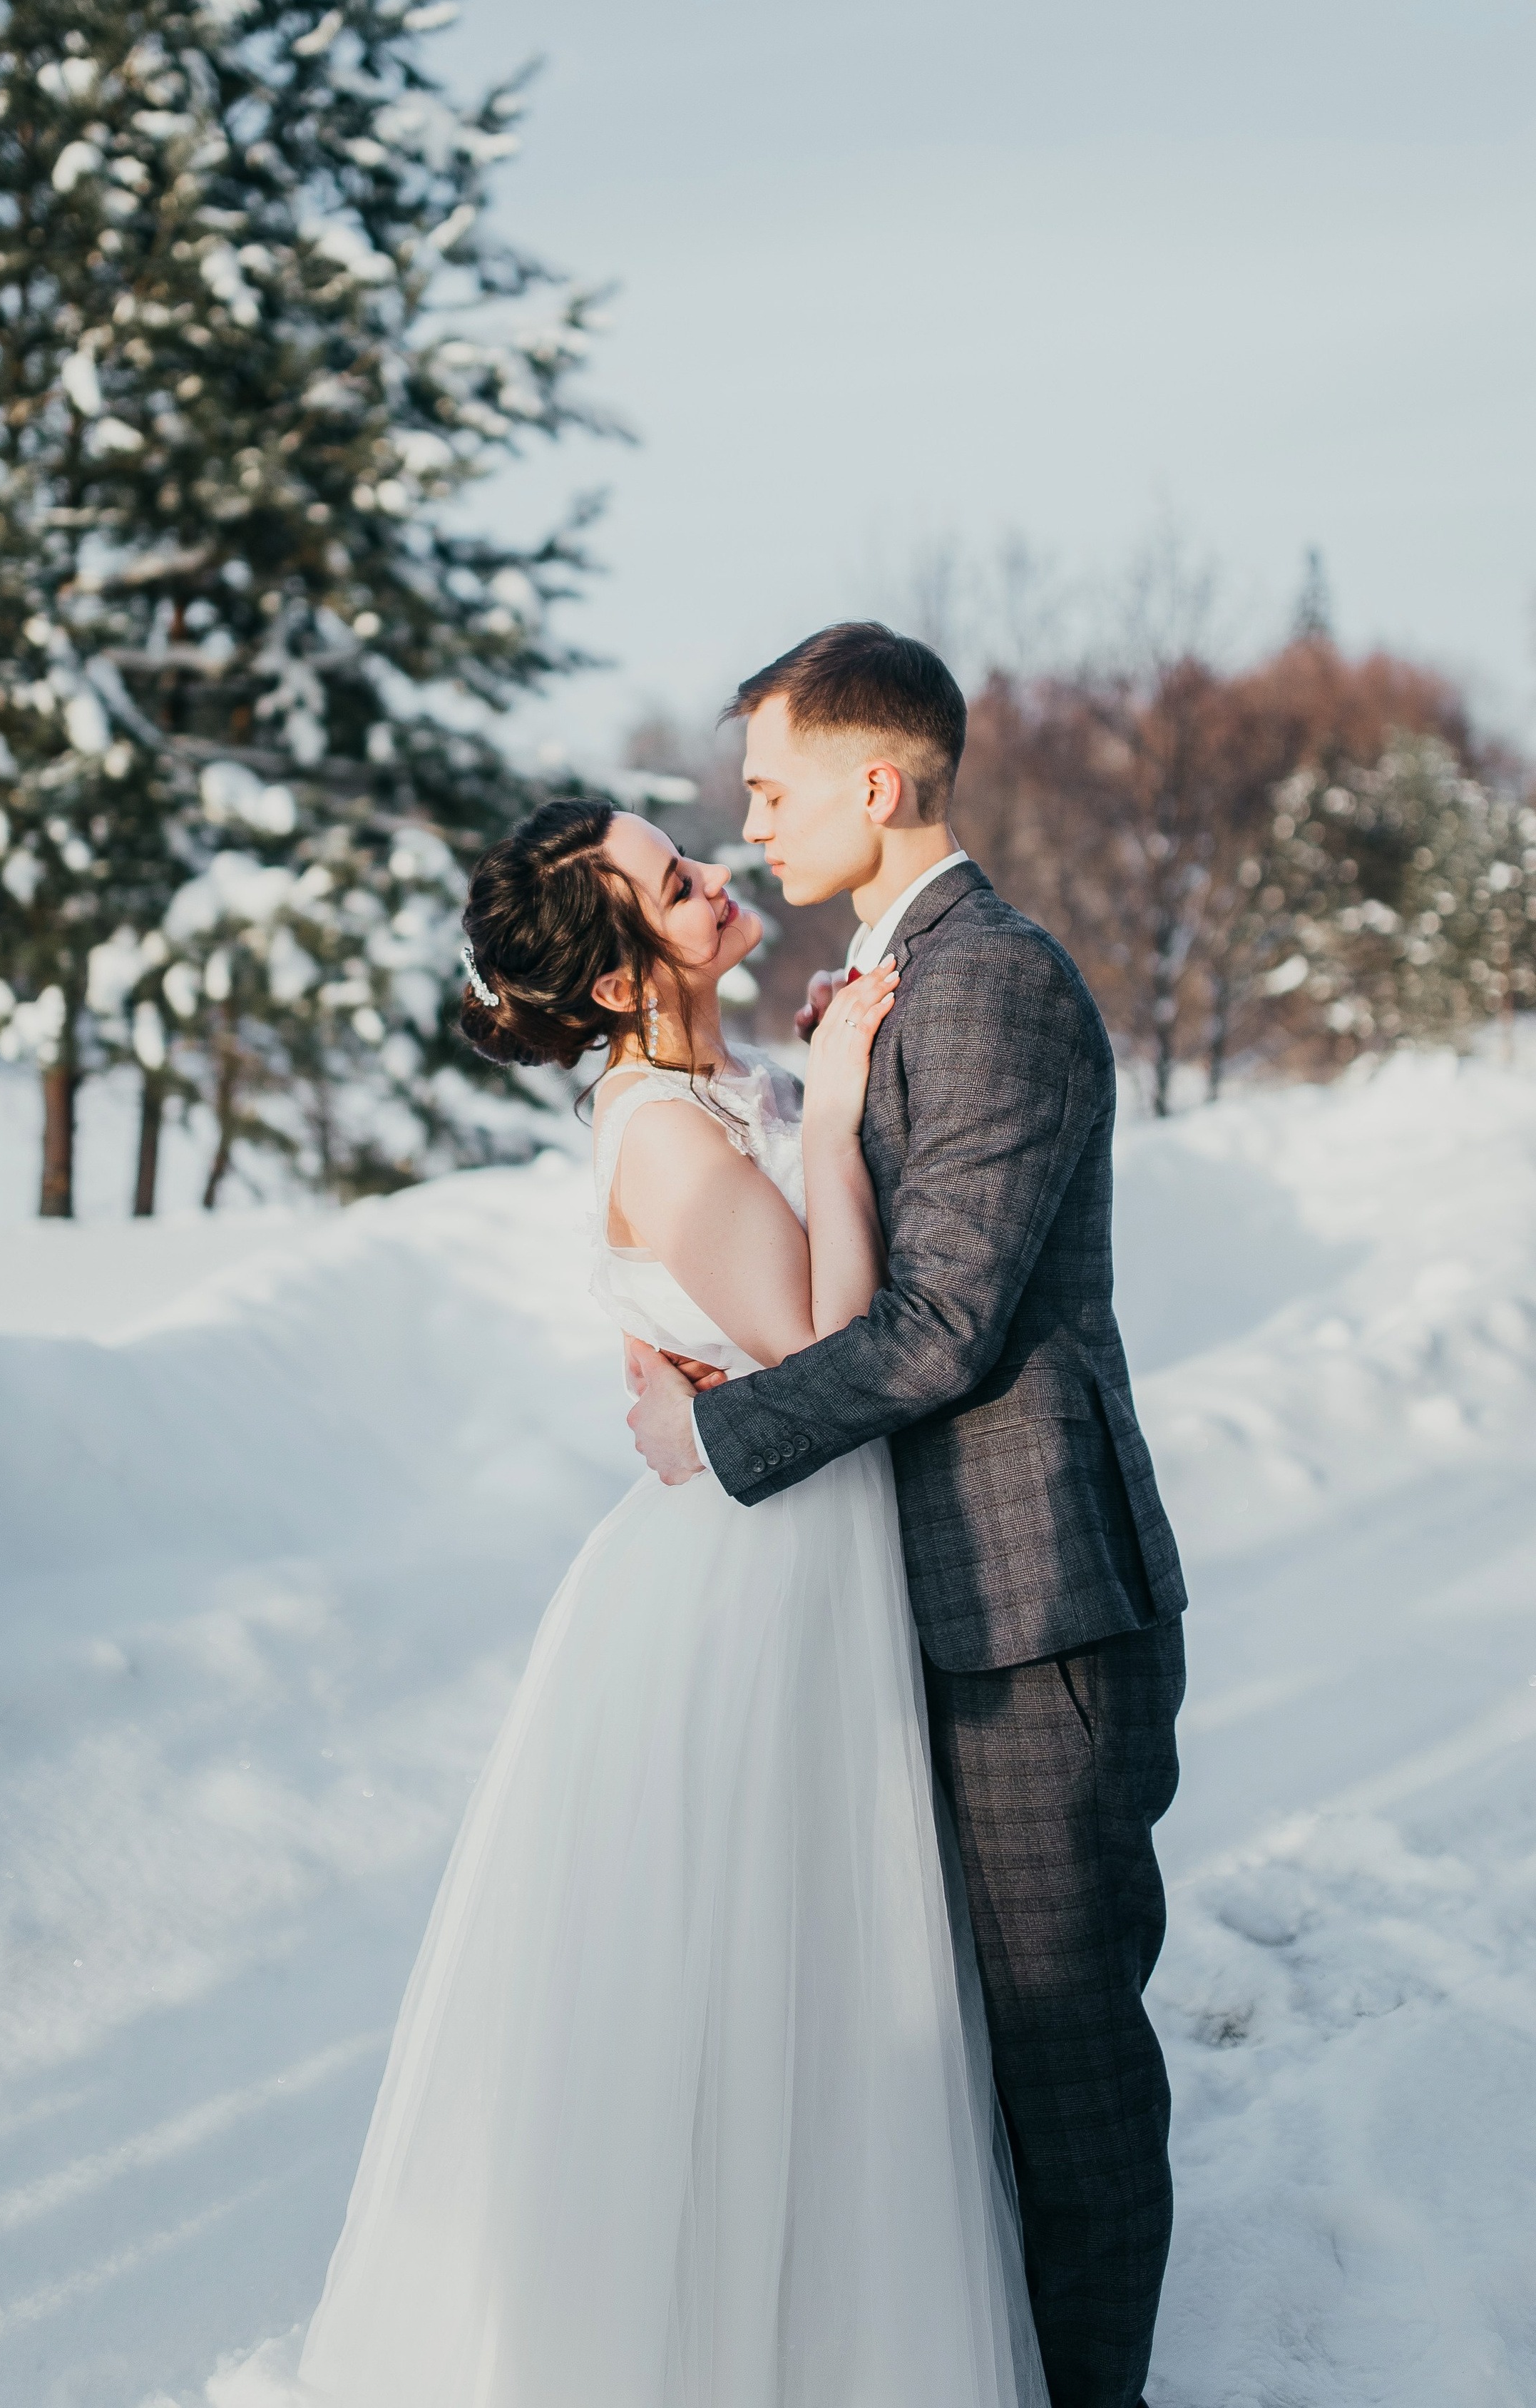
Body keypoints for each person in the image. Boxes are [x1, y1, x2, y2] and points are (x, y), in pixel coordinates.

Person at [292, 788, 1048, 2408]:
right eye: (674, 881)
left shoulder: (719, 1080)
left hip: (807, 1539)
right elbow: (825, 1344)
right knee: (756, 1965)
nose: (713, 877)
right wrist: (834, 1115)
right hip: (749, 1583)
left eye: (687, 856)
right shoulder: (652, 1123)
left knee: (825, 1967)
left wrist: (815, 1081)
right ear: (620, 975)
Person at [628, 623, 1187, 2408]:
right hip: (923, 1609)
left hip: (1034, 1611)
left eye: (769, 788)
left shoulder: (991, 982)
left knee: (1063, 2072)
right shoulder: (896, 982)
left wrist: (719, 1439)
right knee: (962, 2063)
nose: (748, 823)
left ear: (874, 785)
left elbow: (940, 1328)